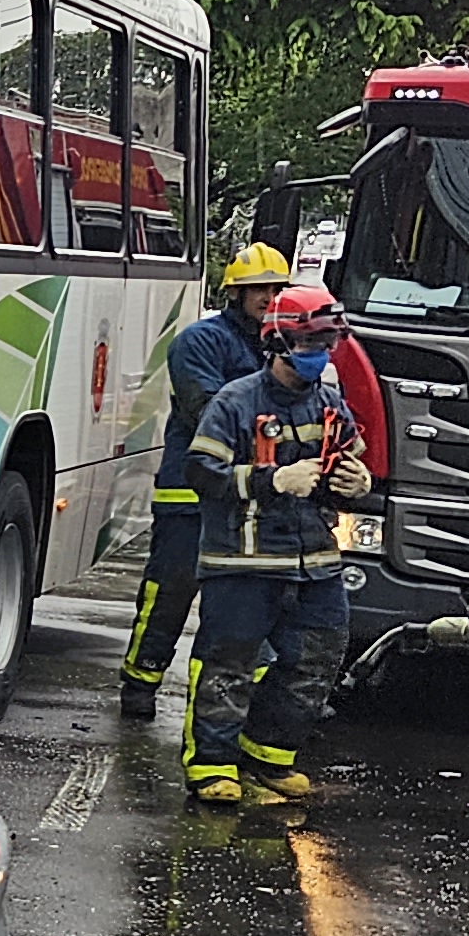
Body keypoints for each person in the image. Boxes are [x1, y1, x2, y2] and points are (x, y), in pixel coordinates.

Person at [182, 285, 371, 807]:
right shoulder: (236, 402)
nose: (321, 354)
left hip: (315, 561)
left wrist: (357, 484)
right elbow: (202, 470)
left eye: (328, 341)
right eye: (311, 342)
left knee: (317, 657)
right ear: (278, 343)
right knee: (229, 660)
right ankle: (213, 762)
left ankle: (268, 751)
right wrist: (270, 480)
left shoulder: (329, 404)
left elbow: (349, 459)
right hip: (244, 560)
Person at [119, 242, 291, 720]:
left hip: (250, 497)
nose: (269, 296)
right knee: (171, 589)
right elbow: (210, 412)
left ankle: (246, 703)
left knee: (247, 603)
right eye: (259, 288)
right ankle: (141, 677)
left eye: (277, 288)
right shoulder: (200, 341)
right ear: (235, 292)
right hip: (190, 493)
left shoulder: (283, 348)